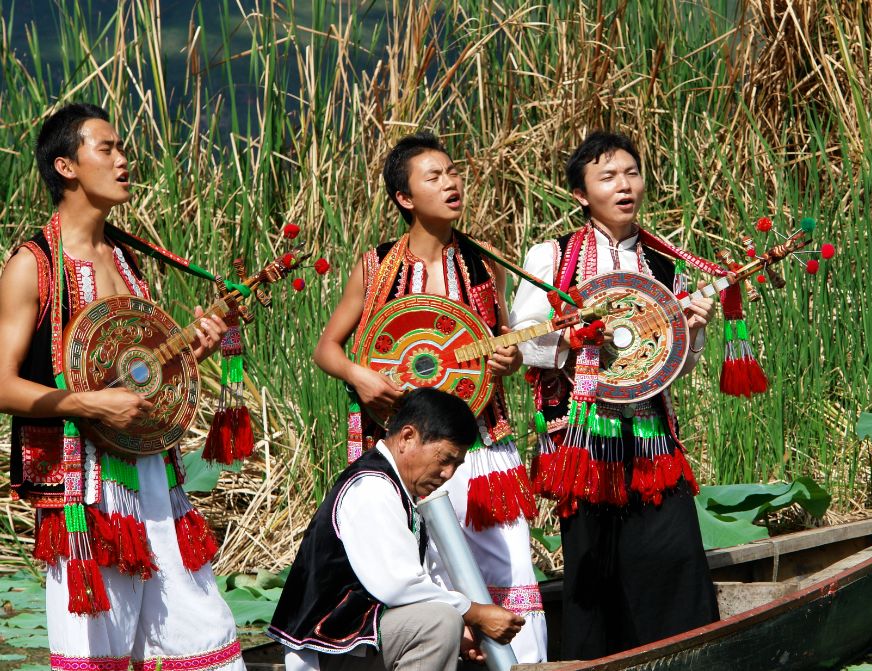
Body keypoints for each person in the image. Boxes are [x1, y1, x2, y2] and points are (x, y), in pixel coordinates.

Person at [0, 103, 244, 670]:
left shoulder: (131, 259)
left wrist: (193, 349)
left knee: (206, 636)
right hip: (84, 489)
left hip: (156, 473)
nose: (123, 160)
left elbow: (138, 371)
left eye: (121, 148)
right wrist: (88, 404)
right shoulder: (32, 265)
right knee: (97, 652)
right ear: (66, 166)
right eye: (105, 149)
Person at [312, 132, 547, 662]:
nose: (451, 183)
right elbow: (327, 348)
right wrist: (360, 376)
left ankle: (527, 663)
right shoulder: (375, 268)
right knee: (431, 563)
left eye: (452, 172)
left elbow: (503, 344)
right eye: (433, 176)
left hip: (481, 440)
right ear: (404, 197)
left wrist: (505, 363)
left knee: (509, 563)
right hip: (414, 446)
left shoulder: (482, 267)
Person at [509, 131, 721, 659]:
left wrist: (692, 330)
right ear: (581, 194)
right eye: (607, 177)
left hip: (650, 436)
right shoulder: (551, 257)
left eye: (631, 173)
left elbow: (674, 368)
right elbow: (523, 342)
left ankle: (684, 658)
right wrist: (572, 337)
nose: (624, 186)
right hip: (583, 438)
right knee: (593, 568)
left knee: (674, 556)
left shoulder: (663, 263)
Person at [267, 388, 524, 671]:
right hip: (329, 647)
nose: (448, 474)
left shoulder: (396, 487)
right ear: (407, 438)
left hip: (355, 643)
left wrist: (460, 634)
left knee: (443, 623)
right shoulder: (372, 487)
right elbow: (398, 585)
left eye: (456, 465)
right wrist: (472, 613)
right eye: (444, 459)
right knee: (439, 623)